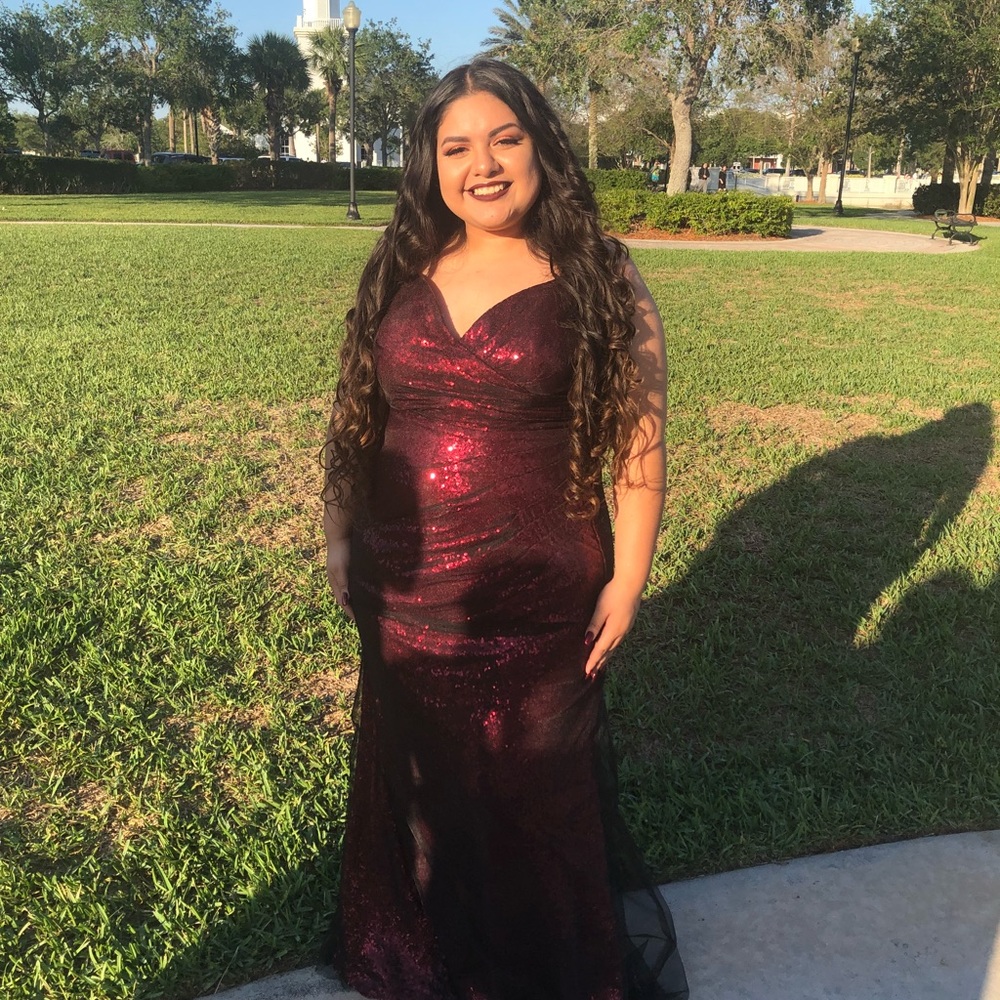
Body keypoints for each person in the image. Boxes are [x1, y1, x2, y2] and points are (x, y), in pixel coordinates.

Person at [322, 57, 688, 1000]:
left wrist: (630, 577)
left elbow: (636, 443)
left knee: (538, 795)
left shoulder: (600, 273)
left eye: (504, 139)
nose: (481, 165)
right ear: (429, 166)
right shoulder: (401, 265)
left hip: (539, 592)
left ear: (541, 148)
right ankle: (428, 954)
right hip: (403, 589)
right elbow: (356, 416)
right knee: (426, 787)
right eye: (456, 147)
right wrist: (338, 535)